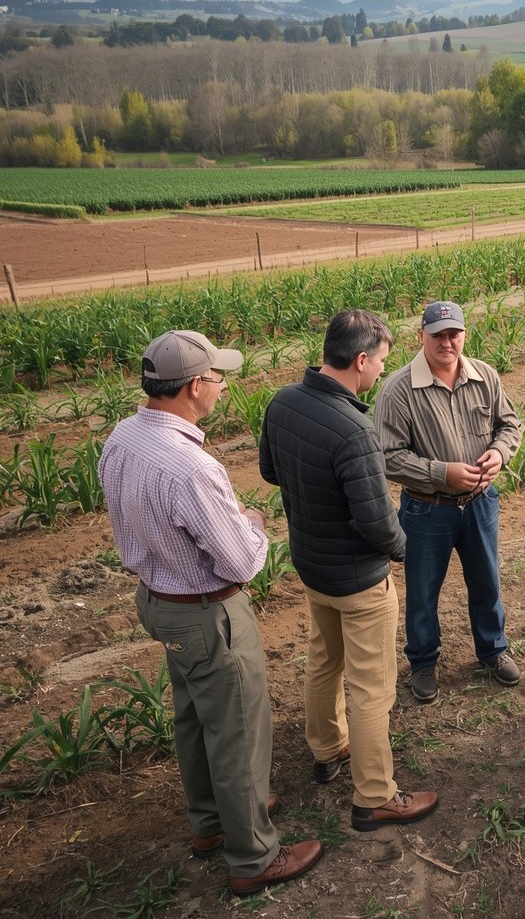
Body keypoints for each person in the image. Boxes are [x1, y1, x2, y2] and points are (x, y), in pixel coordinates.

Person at [98, 330, 322, 898]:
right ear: (195, 386)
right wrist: (254, 523)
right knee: (239, 734)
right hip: (207, 614)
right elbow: (242, 562)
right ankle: (254, 856)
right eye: (218, 379)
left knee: (194, 718)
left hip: (158, 603)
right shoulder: (189, 466)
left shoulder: (123, 437)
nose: (222, 388)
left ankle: (211, 822)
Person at [259, 309, 438, 831]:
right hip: (360, 580)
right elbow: (379, 523)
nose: (382, 370)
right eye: (381, 360)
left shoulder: (283, 402)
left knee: (323, 661)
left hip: (312, 568)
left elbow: (271, 470)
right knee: (371, 687)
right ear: (360, 360)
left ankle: (327, 749)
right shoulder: (354, 429)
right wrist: (405, 548)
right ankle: (375, 795)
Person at [374, 301, 524, 703]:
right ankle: (423, 663)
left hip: (480, 501)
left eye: (453, 333)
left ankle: (493, 650)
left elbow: (510, 424)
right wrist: (444, 473)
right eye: (437, 334)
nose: (446, 342)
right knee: (423, 591)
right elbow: (388, 457)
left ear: (464, 335)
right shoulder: (399, 389)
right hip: (426, 508)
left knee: (486, 580)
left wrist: (500, 452)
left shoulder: (485, 376)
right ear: (420, 336)